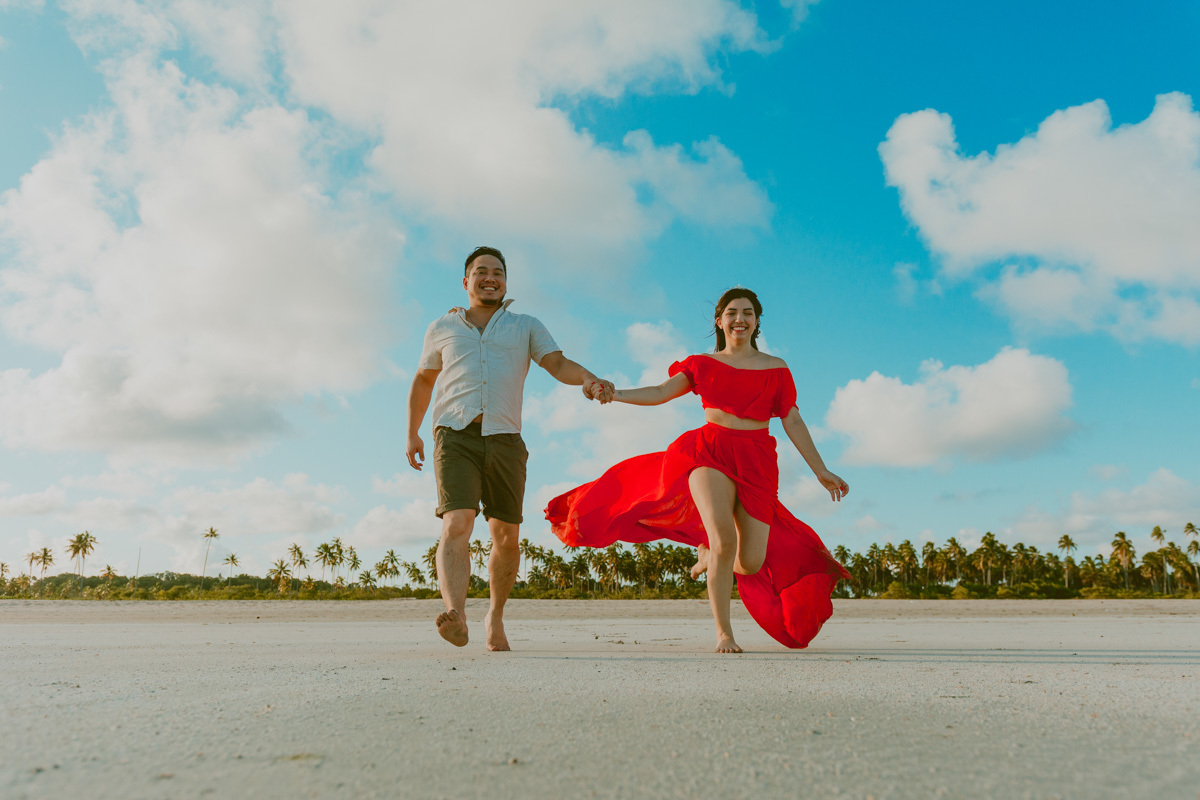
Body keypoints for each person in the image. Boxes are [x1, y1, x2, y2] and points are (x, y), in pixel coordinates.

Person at [546, 287, 850, 653]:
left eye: (748, 313)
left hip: (757, 462)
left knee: (750, 563)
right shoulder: (701, 364)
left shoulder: (777, 368)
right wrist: (615, 393)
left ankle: (706, 555)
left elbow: (793, 419)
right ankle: (724, 633)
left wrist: (820, 470)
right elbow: (660, 392)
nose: (740, 319)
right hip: (708, 453)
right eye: (732, 312)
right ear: (719, 321)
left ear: (757, 321)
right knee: (724, 539)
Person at [407, 246, 614, 651]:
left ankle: (494, 616)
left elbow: (557, 363)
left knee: (506, 537)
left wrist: (589, 379)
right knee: (456, 523)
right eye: (481, 271)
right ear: (466, 281)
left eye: (497, 272)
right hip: (455, 435)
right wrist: (412, 431)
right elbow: (423, 379)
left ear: (505, 282)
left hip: (505, 438)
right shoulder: (441, 328)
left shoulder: (525, 325)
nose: (490, 278)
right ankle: (457, 614)